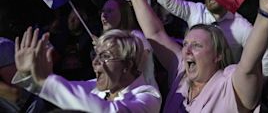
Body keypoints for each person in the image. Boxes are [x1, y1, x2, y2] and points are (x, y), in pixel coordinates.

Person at [127, 0, 268, 112]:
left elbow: (250, 64)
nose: (186, 50)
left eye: (196, 45)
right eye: (186, 43)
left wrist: (266, 13)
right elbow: (155, 33)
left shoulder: (229, 86)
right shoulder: (181, 72)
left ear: (218, 55)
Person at [12, 27, 161, 113]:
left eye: (105, 56)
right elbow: (64, 93)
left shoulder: (148, 96)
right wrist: (29, 73)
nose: (95, 62)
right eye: (96, 55)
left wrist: (48, 80)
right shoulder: (95, 87)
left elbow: (110, 111)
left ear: (127, 65)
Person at [100, 0, 158, 88]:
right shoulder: (109, 42)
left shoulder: (137, 37)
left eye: (109, 11)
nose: (103, 15)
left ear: (123, 14)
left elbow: (136, 71)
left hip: (141, 92)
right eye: (102, 11)